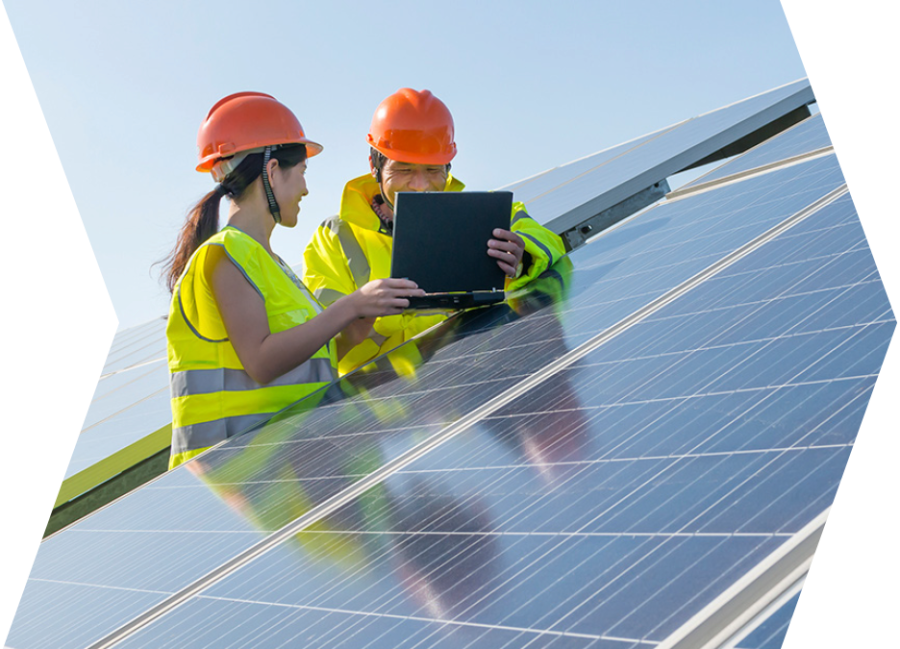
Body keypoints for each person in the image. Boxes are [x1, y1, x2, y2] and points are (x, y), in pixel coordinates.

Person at [162, 92, 424, 469]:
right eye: (301, 172)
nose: (305, 189)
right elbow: (262, 362)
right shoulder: (225, 254)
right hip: (230, 485)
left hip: (284, 474)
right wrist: (350, 305)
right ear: (271, 172)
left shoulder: (275, 267)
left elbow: (309, 361)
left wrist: (356, 327)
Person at [303, 88, 567, 375]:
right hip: (389, 409)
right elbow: (321, 348)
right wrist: (362, 311)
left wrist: (523, 255)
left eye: (432, 170)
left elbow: (548, 240)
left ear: (448, 166)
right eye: (404, 170)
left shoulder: (486, 215)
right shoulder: (335, 239)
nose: (420, 185)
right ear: (374, 166)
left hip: (477, 389)